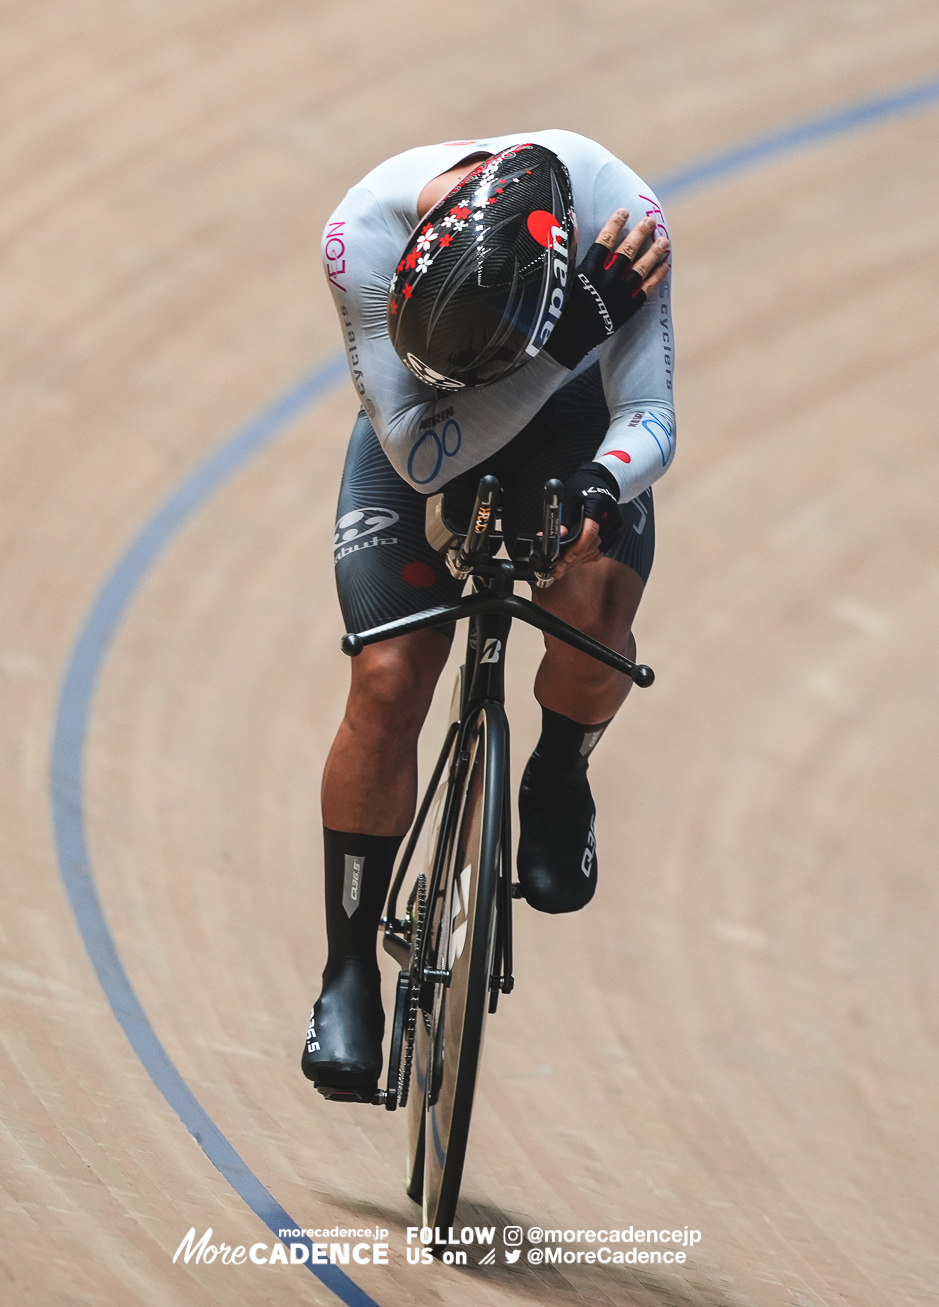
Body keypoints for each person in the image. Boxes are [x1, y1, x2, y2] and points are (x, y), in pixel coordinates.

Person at [303, 133, 675, 1096]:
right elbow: (421, 458)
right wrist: (563, 340)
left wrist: (600, 486)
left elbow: (650, 414)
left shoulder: (616, 211)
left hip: (568, 431)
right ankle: (349, 973)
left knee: (590, 611)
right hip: (425, 427)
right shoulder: (361, 237)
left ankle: (557, 767)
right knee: (387, 680)